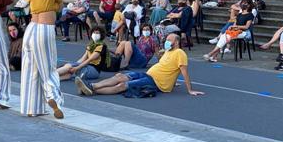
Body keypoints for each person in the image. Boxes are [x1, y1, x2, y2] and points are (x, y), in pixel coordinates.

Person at [75, 34, 204, 97]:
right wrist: (173, 81)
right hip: (148, 75)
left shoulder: (180, 53)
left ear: (176, 42)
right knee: (120, 76)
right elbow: (170, 69)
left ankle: (92, 88)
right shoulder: (168, 52)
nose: (167, 41)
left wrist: (189, 90)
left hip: (155, 82)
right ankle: (90, 88)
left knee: (122, 86)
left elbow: (183, 71)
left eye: (169, 40)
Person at [20, 0, 64, 118]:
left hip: (30, 29)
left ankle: (31, 107)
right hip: (44, 29)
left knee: (30, 69)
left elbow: (26, 4)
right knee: (48, 67)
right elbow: (59, 6)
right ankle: (53, 98)